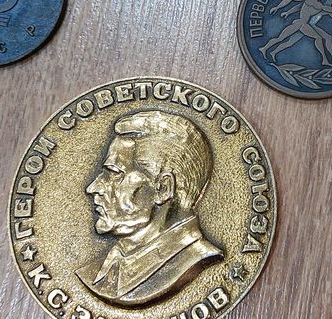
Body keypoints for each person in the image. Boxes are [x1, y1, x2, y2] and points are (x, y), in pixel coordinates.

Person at [76, 110, 223, 306]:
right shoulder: (95, 271)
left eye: (113, 173)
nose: (93, 187)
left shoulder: (196, 260)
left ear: (163, 189)